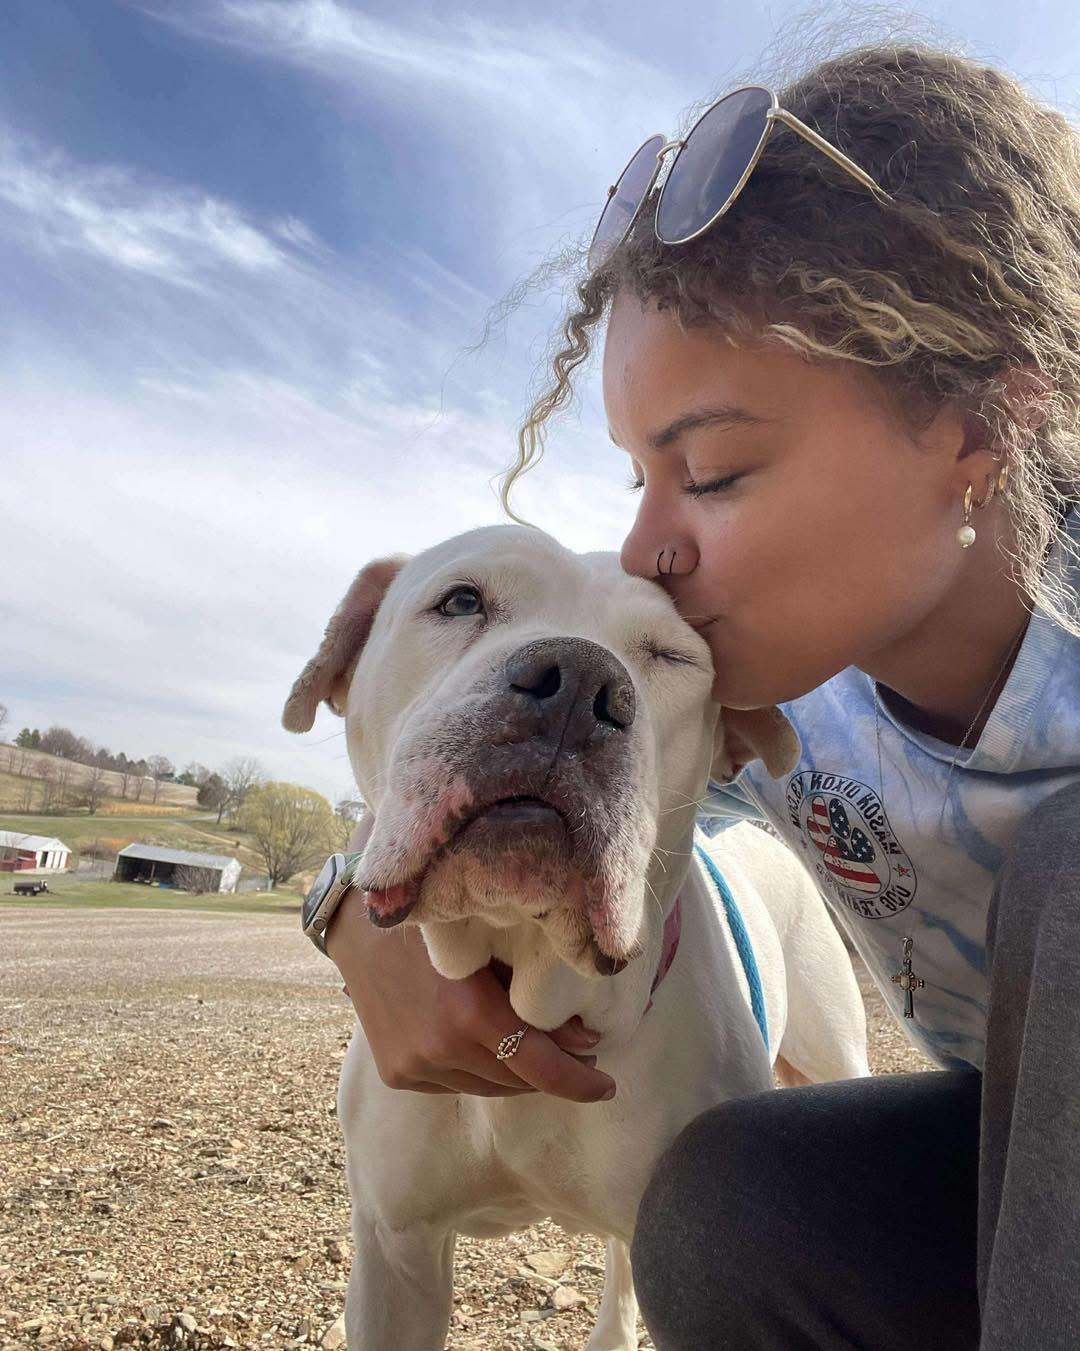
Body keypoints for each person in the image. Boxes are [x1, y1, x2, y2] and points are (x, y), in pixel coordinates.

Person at [326, 42, 1080, 1349]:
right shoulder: (761, 699)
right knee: (739, 1202)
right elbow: (508, 782)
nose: (644, 554)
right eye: (639, 480)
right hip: (1020, 1158)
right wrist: (354, 921)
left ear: (982, 432)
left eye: (717, 472)